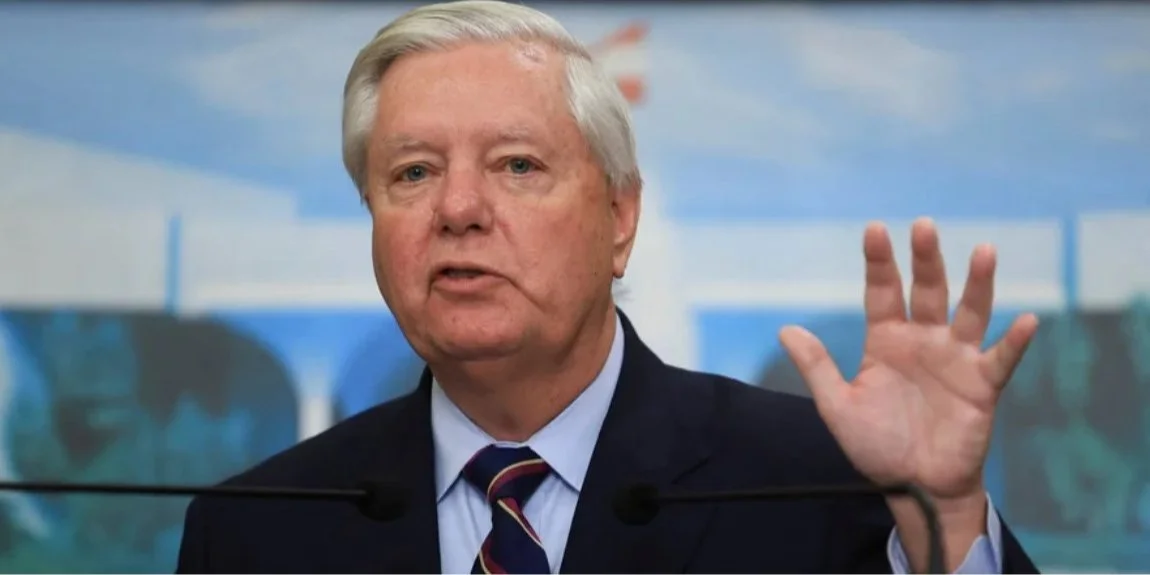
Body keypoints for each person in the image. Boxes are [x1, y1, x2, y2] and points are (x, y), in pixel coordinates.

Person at [175, 1, 1042, 573]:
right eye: (412, 173)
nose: (459, 208)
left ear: (620, 218)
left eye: (517, 165)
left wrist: (945, 517)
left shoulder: (820, 482)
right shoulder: (256, 528)